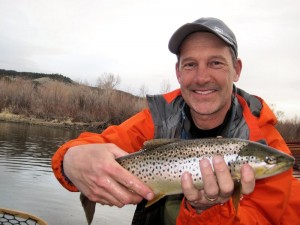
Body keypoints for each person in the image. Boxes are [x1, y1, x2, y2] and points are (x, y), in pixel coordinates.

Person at [52, 17, 300, 224]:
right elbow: (94, 144)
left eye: (215, 63)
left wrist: (207, 210)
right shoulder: (158, 117)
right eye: (190, 64)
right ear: (178, 72)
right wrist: (71, 160)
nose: (202, 77)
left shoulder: (265, 141)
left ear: (236, 69)